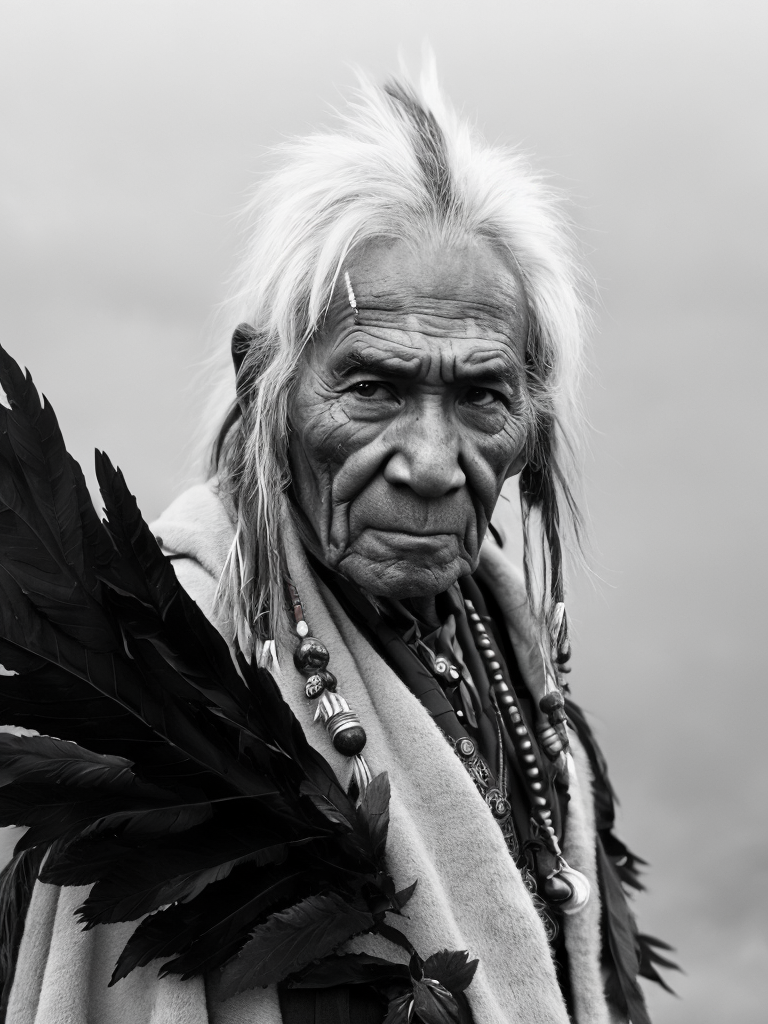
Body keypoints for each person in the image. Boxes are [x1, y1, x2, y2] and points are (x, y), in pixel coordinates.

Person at [1, 70, 669, 1024]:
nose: (434, 463)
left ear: (532, 417)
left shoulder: (504, 651)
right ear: (261, 379)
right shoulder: (177, 665)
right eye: (374, 388)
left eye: (481, 395)